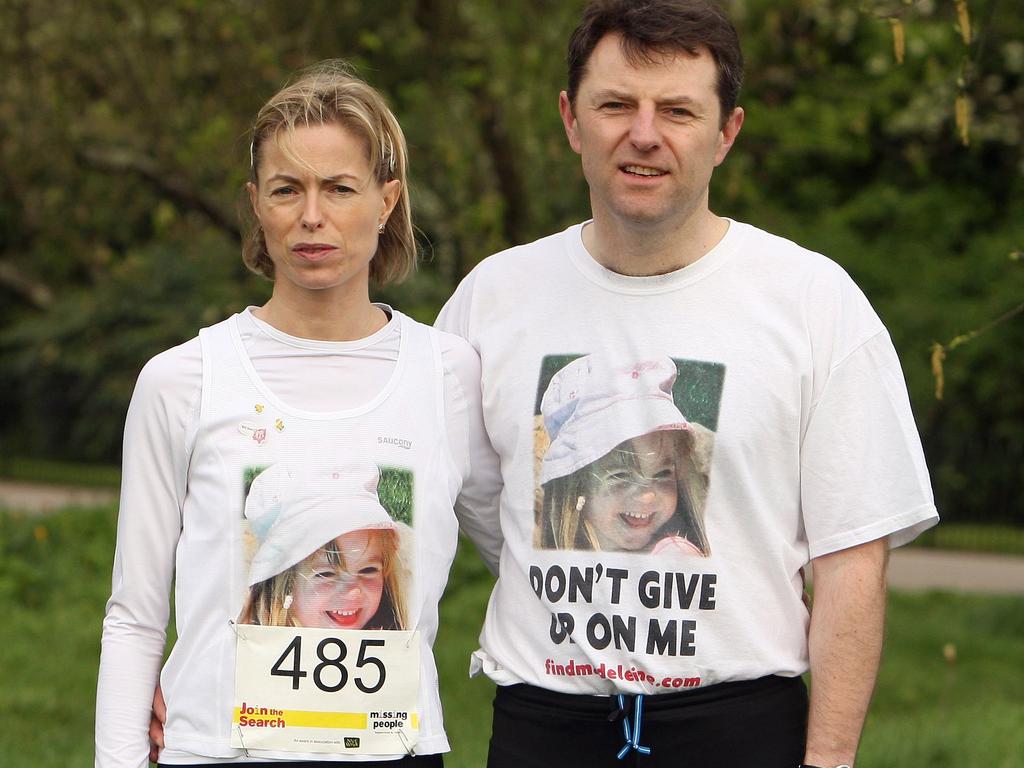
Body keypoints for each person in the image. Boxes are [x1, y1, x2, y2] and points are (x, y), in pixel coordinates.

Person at [434, 2, 939, 767]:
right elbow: (471, 497)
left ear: (727, 132)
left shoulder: (812, 301)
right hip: (543, 729)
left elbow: (852, 560)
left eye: (677, 110)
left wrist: (830, 760)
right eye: (615, 106)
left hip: (739, 728)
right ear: (572, 121)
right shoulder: (491, 299)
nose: (644, 134)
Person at [96, 60, 501, 768]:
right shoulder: (181, 381)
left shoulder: (448, 374)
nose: (312, 216)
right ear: (257, 203)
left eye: (340, 188)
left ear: (386, 201)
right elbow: (133, 615)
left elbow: (520, 557)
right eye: (288, 189)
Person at [536, 354, 710, 555]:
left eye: (663, 473)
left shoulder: (673, 555)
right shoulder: (568, 552)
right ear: (576, 485)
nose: (647, 497)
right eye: (620, 475)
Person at [236, 462, 410, 631]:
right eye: (326, 574)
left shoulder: (396, 638)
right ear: (283, 584)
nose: (353, 593)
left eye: (368, 570)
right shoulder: (252, 649)